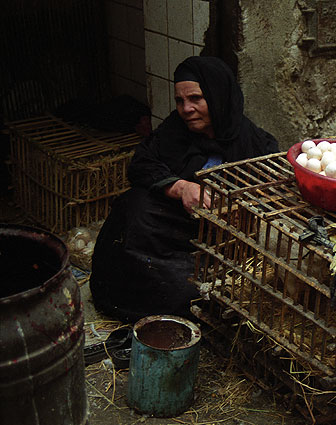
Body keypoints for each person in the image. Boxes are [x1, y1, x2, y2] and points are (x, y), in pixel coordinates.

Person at [90, 56, 279, 323]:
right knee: (134, 206)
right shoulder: (175, 130)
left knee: (192, 288)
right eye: (180, 101)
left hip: (218, 240)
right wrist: (180, 187)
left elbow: (268, 196)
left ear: (218, 97)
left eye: (195, 99)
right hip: (172, 228)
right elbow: (141, 164)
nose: (186, 109)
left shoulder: (256, 145)